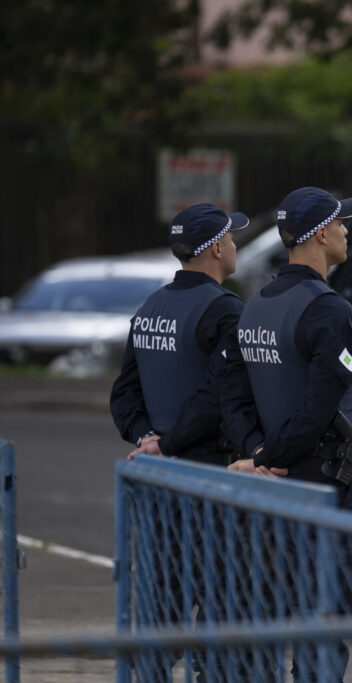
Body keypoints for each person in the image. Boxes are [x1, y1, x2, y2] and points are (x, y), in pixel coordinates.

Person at [226, 186, 352, 680]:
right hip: (320, 486)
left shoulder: (257, 304)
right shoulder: (327, 308)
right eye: (340, 223)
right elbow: (319, 403)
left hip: (271, 487)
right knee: (323, 624)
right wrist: (273, 454)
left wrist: (257, 453)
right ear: (320, 235)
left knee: (271, 616)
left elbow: (235, 398)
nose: (347, 231)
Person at [109, 202, 251, 682]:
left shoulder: (152, 306)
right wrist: (167, 444)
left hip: (159, 485)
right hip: (210, 479)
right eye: (230, 237)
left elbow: (124, 393)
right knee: (219, 603)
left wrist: (145, 437)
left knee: (163, 603)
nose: (234, 245)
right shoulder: (225, 309)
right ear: (214, 248)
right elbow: (218, 396)